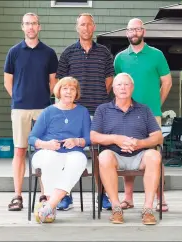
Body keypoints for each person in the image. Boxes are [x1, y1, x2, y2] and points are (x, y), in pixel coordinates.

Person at [56, 13, 114, 210]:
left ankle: (103, 195)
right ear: (77, 28)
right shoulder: (68, 53)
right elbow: (61, 84)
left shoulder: (105, 52)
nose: (86, 28)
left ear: (94, 27)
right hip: (74, 113)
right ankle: (65, 195)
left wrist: (98, 97)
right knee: (69, 153)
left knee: (100, 155)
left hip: (99, 111)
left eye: (89, 24)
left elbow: (109, 81)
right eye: (82, 24)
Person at [113, 18, 172, 212]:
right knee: (127, 151)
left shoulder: (157, 55)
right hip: (126, 114)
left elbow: (167, 82)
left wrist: (156, 105)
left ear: (143, 31)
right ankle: (128, 198)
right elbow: (118, 85)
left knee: (155, 155)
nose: (134, 32)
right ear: (127, 32)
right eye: (131, 29)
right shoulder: (120, 58)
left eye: (137, 29)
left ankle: (160, 199)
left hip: (152, 115)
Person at [90, 73, 163, 225]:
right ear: (113, 89)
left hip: (139, 155)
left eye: (126, 84)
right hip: (114, 155)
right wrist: (116, 139)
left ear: (132, 88)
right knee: (103, 157)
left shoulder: (144, 110)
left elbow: (158, 137)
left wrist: (140, 143)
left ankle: (148, 209)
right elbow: (94, 136)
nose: (123, 88)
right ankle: (116, 208)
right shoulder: (103, 110)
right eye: (119, 85)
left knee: (154, 156)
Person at [4, 13, 58, 211]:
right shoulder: (14, 52)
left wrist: (42, 97)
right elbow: (7, 81)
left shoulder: (49, 53)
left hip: (43, 108)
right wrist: (19, 97)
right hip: (20, 108)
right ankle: (17, 196)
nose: (30, 27)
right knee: (19, 150)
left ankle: (45, 195)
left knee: (44, 151)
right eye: (27, 24)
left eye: (34, 24)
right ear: (22, 27)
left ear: (39, 27)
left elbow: (53, 82)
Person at [28, 77, 91, 223]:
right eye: (65, 88)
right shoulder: (48, 111)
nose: (68, 92)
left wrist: (77, 141)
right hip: (47, 151)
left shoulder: (82, 112)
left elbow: (89, 138)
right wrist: (47, 144)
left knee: (78, 160)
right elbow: (31, 138)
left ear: (76, 93)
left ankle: (49, 205)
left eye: (72, 89)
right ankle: (50, 202)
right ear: (58, 91)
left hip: (73, 152)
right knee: (51, 159)